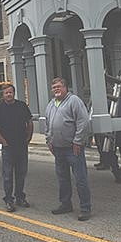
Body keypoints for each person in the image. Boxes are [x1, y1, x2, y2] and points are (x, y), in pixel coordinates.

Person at [45, 77, 92, 221]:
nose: (56, 90)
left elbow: (83, 122)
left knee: (80, 179)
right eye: (54, 88)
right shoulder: (51, 104)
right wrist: (49, 140)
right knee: (62, 178)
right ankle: (65, 204)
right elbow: (48, 124)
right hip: (58, 149)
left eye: (59, 87)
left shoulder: (74, 101)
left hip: (73, 149)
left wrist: (78, 142)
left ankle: (85, 208)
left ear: (65, 87)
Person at [0, 84, 33, 212]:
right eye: (6, 93)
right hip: (8, 148)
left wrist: (28, 138)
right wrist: (2, 141)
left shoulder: (22, 106)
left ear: (14, 93)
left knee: (21, 173)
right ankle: (9, 199)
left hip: (21, 146)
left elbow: (29, 122)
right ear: (3, 95)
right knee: (8, 175)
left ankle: (20, 197)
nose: (8, 94)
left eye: (10, 92)